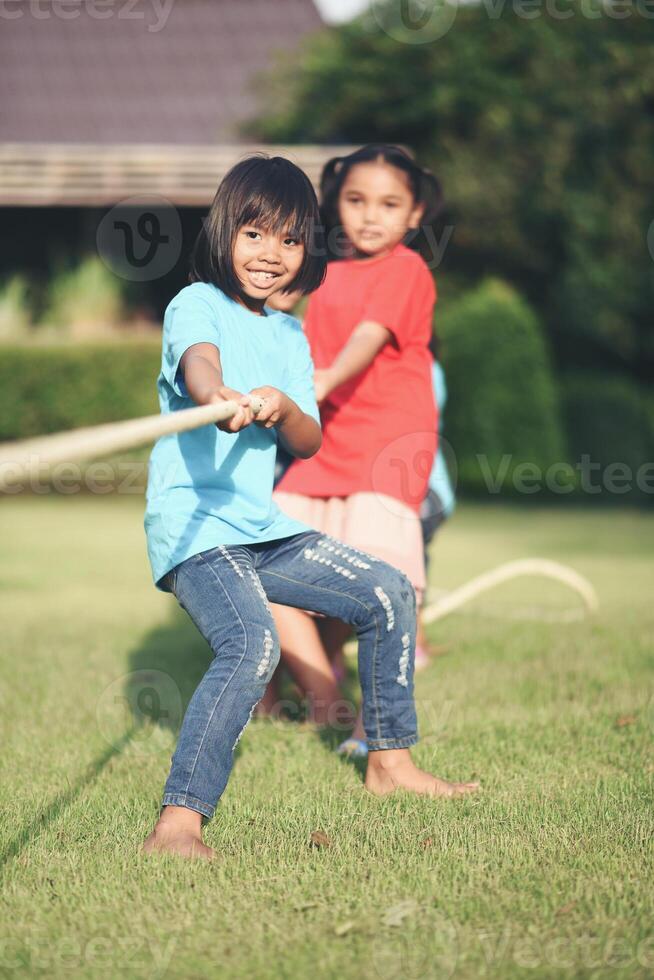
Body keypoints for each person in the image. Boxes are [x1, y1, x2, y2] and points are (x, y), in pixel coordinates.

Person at [141, 155, 479, 861]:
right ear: (224, 233)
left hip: (260, 527)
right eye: (255, 235)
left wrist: (286, 406)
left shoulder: (290, 334)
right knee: (253, 644)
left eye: (291, 240)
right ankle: (178, 824)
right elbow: (199, 361)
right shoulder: (195, 304)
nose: (271, 254)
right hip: (199, 530)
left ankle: (389, 763)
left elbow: (309, 435)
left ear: (305, 251)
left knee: (386, 592)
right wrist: (217, 398)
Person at [270, 144, 445, 745]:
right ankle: (324, 699)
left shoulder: (407, 270)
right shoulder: (323, 268)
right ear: (336, 204)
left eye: (389, 203)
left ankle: (375, 729)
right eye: (356, 200)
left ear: (414, 213)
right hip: (324, 444)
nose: (371, 216)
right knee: (259, 563)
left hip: (388, 446)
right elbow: (269, 308)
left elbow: (367, 338)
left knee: (379, 586)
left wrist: (322, 380)